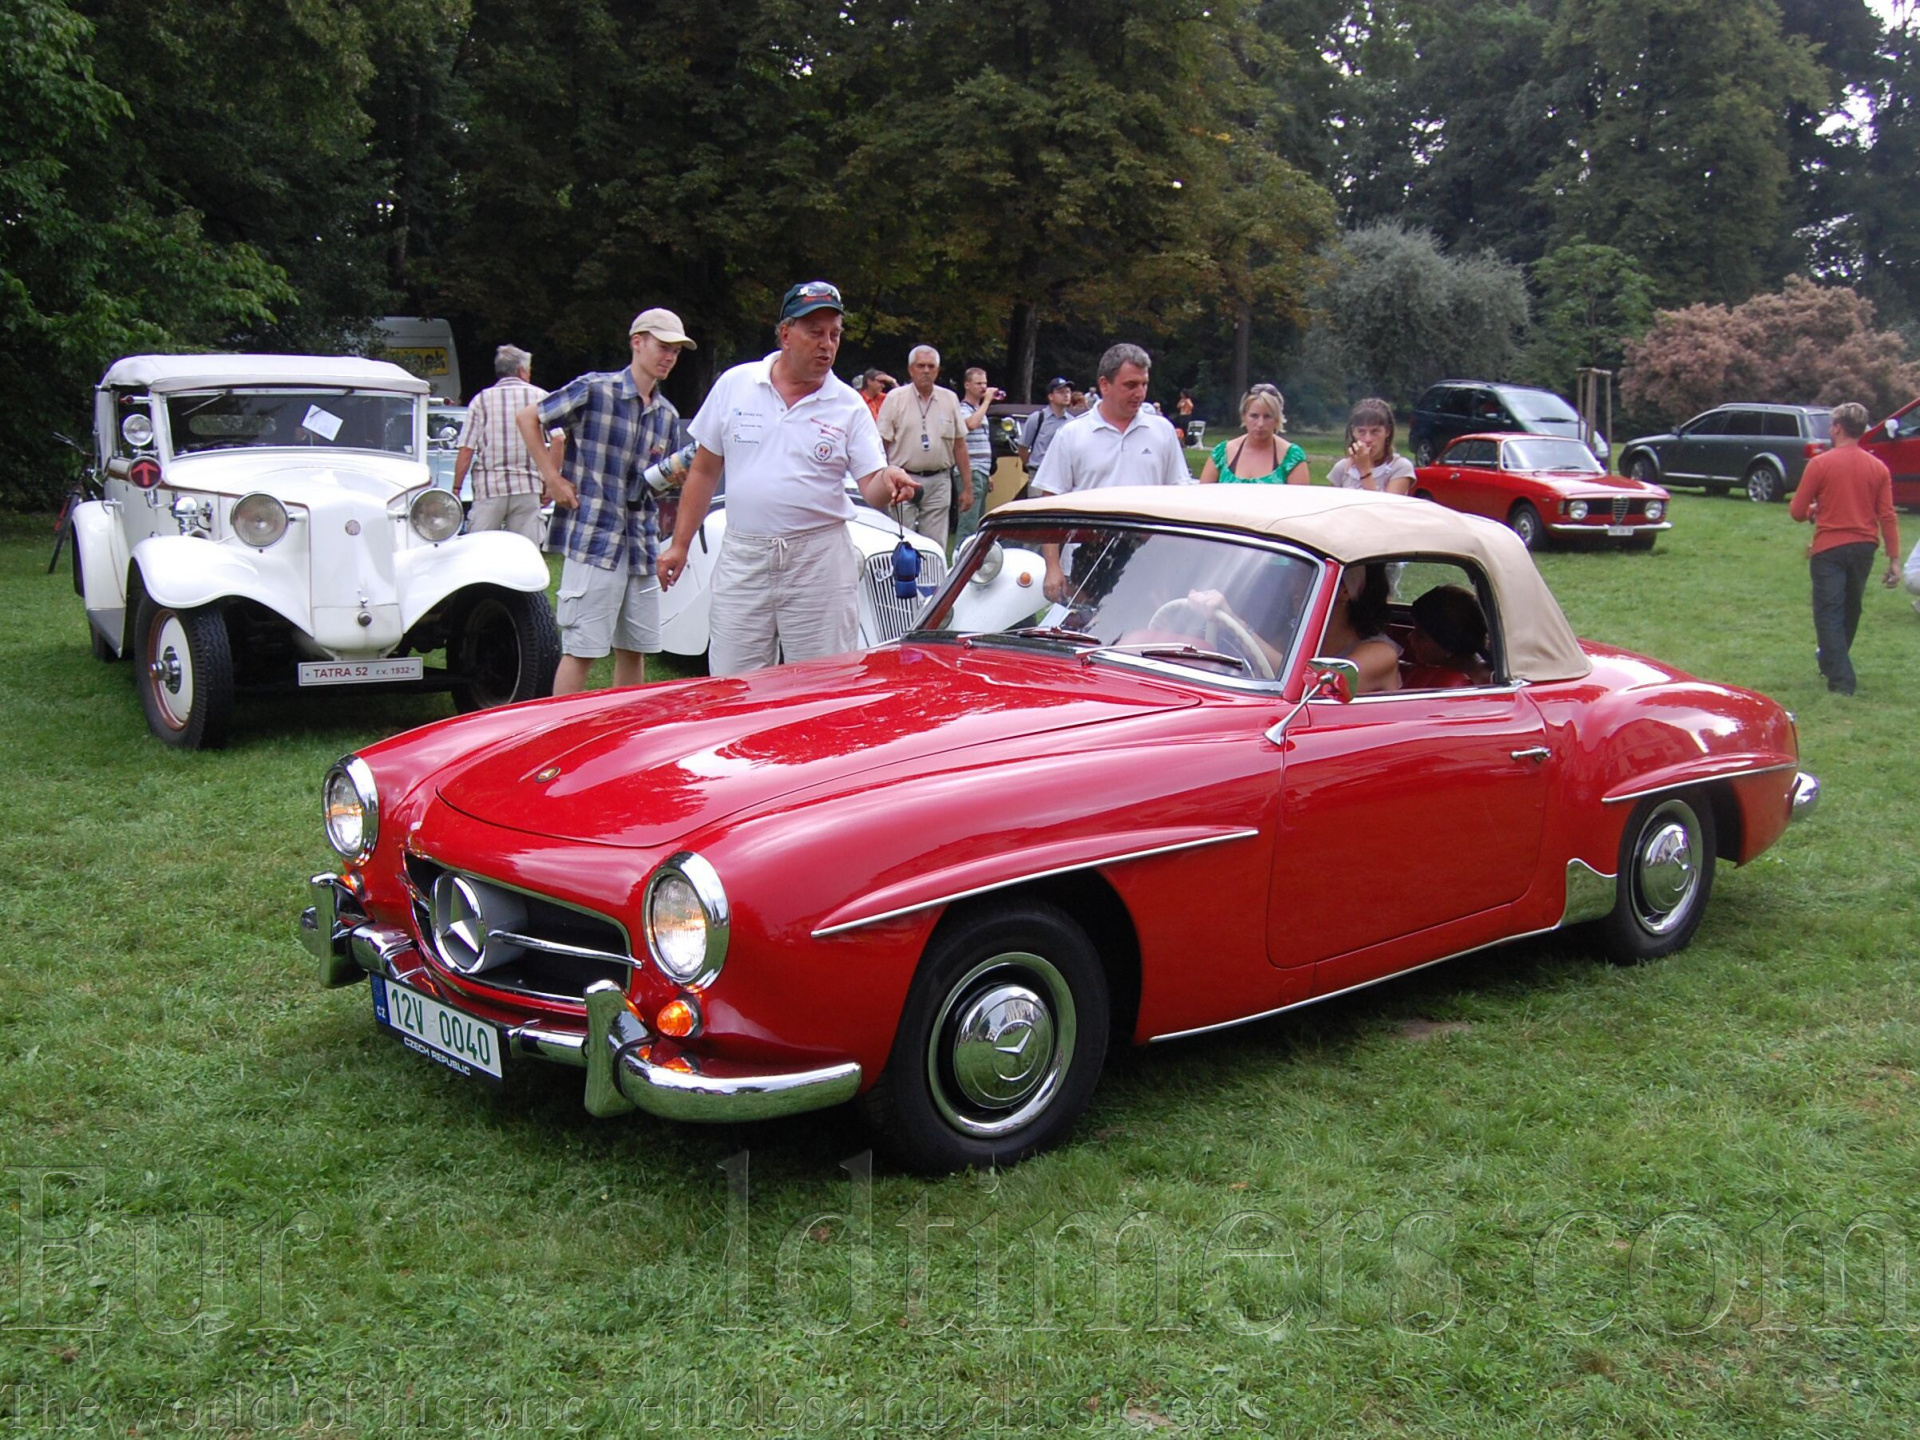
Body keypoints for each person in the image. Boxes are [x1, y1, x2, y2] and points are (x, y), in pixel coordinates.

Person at [657, 281, 919, 676]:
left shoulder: (849, 405)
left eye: (834, 334)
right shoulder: (735, 384)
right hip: (744, 555)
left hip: (819, 560)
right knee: (734, 683)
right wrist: (680, 544)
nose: (827, 345)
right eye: (815, 333)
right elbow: (705, 470)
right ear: (785, 334)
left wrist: (890, 479)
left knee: (821, 684)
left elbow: (872, 486)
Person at [517, 308, 696, 696]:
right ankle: (564, 728)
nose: (669, 357)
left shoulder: (667, 415)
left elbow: (649, 487)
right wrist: (552, 477)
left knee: (635, 649)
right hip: (594, 538)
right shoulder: (594, 389)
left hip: (641, 544)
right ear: (638, 342)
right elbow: (529, 417)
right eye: (664, 347)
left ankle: (625, 729)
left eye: (676, 351)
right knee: (581, 649)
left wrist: (672, 478)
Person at [1034, 343, 1194, 602]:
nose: (1139, 393)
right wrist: (1052, 566)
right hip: (1086, 562)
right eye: (1130, 385)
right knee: (1084, 626)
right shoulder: (1072, 435)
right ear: (1104, 385)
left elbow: (1180, 499)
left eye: (1144, 384)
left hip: (1149, 561)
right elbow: (1049, 504)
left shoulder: (1162, 431)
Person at [1788, 401, 1902, 694]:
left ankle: (1841, 680)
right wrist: (1894, 559)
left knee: (1828, 612)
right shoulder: (1878, 468)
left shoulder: (1820, 464)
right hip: (1864, 547)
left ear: (1838, 428)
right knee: (1851, 609)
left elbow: (1797, 511)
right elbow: (1887, 515)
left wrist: (1813, 511)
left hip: (1829, 548)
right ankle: (1832, 663)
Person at [876, 344, 969, 548]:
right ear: (911, 370)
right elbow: (881, 444)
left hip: (939, 480)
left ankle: (933, 571)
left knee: (935, 545)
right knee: (900, 540)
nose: (926, 371)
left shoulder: (950, 399)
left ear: (937, 370)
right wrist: (882, 481)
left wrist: (967, 487)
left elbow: (960, 445)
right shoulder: (895, 398)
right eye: (920, 366)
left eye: (931, 366)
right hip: (903, 478)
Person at [454, 345, 548, 542]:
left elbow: (466, 449)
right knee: (525, 551)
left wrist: (456, 488)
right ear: (521, 370)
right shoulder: (540, 397)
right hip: (528, 486)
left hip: (490, 488)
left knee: (479, 548)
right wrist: (551, 481)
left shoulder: (481, 400)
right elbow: (558, 438)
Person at [1198, 384, 1308, 485]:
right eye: (1254, 416)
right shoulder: (1222, 454)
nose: (1260, 424)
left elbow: (1300, 498)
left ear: (1277, 419)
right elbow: (1202, 495)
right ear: (1244, 416)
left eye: (1267, 416)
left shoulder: (1291, 458)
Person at [1318, 562, 1402, 694]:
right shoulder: (1294, 637)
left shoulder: (1380, 654)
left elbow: (1321, 692)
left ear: (1344, 591)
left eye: (1313, 578)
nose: (1293, 585)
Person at [1402, 584, 1492, 688]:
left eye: (1421, 635)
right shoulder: (1480, 669)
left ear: (1448, 645)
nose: (1410, 636)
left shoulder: (1454, 684)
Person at [1325, 397, 1417, 494]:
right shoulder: (1342, 468)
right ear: (1353, 432)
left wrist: (1365, 471)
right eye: (1361, 431)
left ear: (1387, 431)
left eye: (1375, 431)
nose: (1367, 439)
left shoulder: (1400, 467)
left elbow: (1385, 504)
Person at [957, 366, 1000, 543]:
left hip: (980, 470)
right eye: (978, 383)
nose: (983, 387)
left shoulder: (978, 409)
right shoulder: (962, 408)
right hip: (970, 470)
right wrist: (987, 401)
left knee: (978, 523)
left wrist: (988, 474)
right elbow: (970, 424)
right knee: (968, 522)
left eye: (985, 383)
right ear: (967, 385)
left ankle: (972, 555)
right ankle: (960, 554)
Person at [1017, 377, 1075, 488]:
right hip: (1038, 473)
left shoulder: (1072, 422)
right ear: (1051, 396)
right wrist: (1031, 465)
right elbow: (1023, 447)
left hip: (1063, 475)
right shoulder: (1037, 418)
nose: (1066, 395)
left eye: (1068, 392)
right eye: (1060, 392)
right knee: (1037, 499)